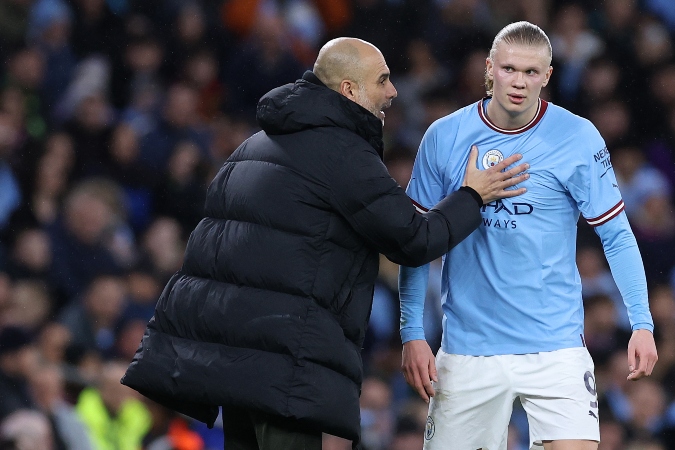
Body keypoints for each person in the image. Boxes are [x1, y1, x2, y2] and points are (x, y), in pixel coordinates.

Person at [120, 37, 530, 450]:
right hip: (284, 362)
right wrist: (473, 195)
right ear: (349, 90)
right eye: (383, 80)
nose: (393, 92)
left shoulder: (252, 145)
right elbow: (414, 239)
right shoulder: (342, 153)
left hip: (234, 361)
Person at [399, 21, 658, 450]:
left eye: (531, 72)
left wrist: (642, 323)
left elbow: (617, 236)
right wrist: (412, 333)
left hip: (555, 346)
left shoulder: (576, 136)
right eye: (509, 69)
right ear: (489, 68)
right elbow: (416, 241)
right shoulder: (444, 137)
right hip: (469, 348)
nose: (519, 82)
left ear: (548, 75)